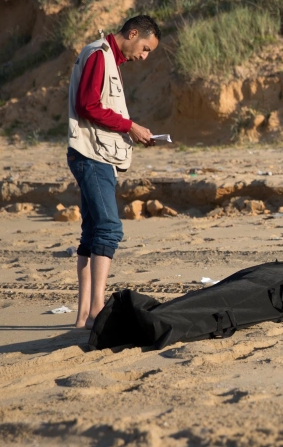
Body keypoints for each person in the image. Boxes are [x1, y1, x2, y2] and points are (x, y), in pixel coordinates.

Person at [67, 15, 161, 328]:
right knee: (109, 228)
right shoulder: (99, 54)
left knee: (93, 231)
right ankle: (96, 310)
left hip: (93, 153)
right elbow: (88, 105)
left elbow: (94, 107)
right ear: (132, 34)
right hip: (92, 155)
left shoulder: (106, 57)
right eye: (145, 48)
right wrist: (130, 126)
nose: (144, 56)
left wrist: (131, 130)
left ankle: (83, 315)